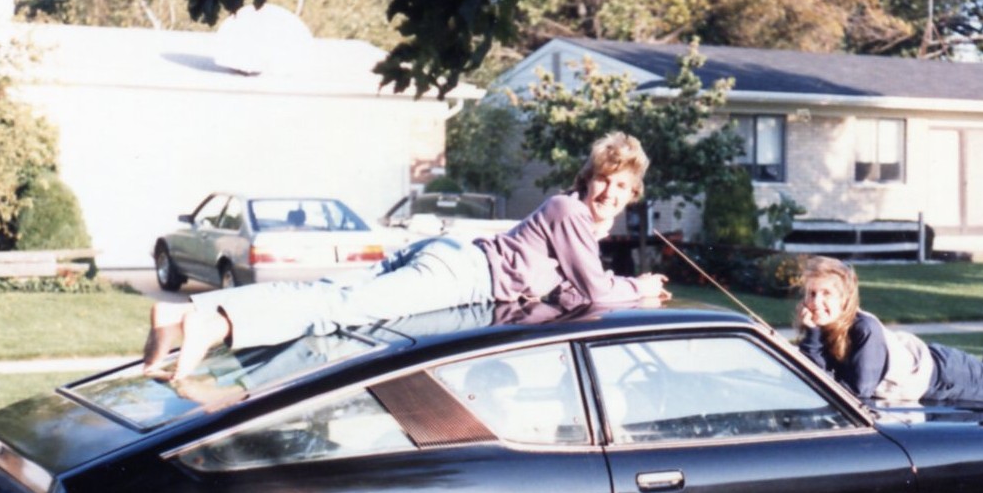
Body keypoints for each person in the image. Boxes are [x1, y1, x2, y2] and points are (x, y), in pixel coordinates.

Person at [145, 132, 670, 379]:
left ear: (633, 193)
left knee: (331, 292)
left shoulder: (573, 216)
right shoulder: (569, 210)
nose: (610, 193)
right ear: (588, 178)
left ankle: (177, 317)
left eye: (622, 187)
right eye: (604, 180)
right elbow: (597, 291)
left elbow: (573, 289)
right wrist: (641, 287)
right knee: (341, 310)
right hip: (463, 275)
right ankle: (216, 324)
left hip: (452, 259)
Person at [795, 255, 983, 405]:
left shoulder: (864, 329)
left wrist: (812, 339)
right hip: (934, 371)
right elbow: (816, 380)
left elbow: (854, 394)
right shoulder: (828, 329)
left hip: (945, 375)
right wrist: (813, 335)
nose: (816, 302)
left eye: (827, 293)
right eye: (811, 293)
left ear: (845, 298)